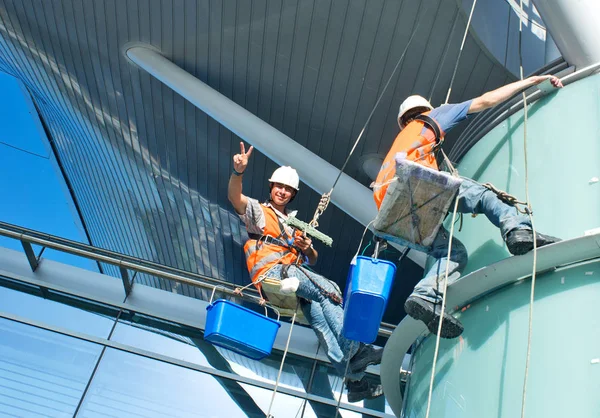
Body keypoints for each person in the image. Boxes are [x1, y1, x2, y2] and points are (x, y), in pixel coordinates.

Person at [373, 75, 563, 338]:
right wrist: (534, 81)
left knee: (453, 254)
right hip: (417, 185)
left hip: (391, 210)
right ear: (424, 110)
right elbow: (487, 100)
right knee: (483, 197)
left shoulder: (401, 141)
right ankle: (517, 231)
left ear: (402, 120)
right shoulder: (432, 117)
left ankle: (425, 295)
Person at [228, 142, 383, 402]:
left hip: (290, 283)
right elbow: (235, 198)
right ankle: (357, 351)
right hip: (274, 274)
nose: (282, 192)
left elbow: (311, 261)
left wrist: (307, 248)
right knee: (330, 290)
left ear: (293, 194)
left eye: (288, 189)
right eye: (279, 186)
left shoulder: (294, 225)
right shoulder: (260, 212)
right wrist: (238, 172)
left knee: (322, 321)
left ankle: (354, 382)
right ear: (271, 187)